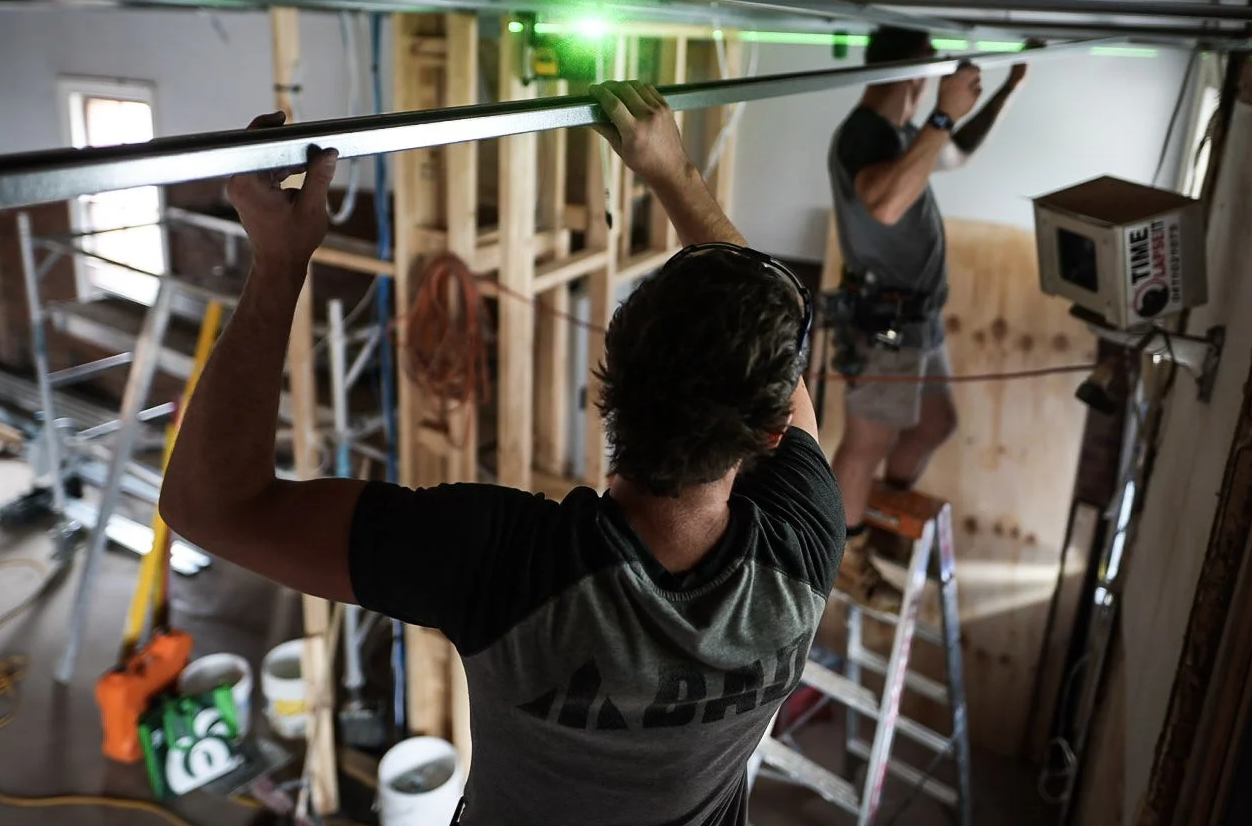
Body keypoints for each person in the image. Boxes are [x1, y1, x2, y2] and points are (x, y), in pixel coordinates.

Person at [160, 81, 845, 826]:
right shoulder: (802, 550)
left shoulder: (505, 566)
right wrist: (676, 175)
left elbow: (210, 505)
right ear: (773, 432)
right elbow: (769, 355)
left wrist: (279, 263)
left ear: (607, 380)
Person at [826, 27, 1031, 610]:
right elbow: (885, 202)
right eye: (930, 65)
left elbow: (955, 152)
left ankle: (866, 514)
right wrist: (942, 117)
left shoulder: (900, 133)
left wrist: (1007, 90)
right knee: (866, 445)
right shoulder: (864, 132)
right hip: (885, 322)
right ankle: (846, 556)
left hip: (917, 320)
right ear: (915, 72)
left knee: (932, 423)